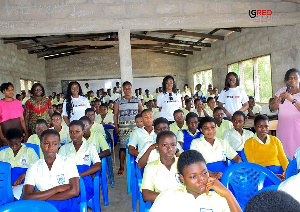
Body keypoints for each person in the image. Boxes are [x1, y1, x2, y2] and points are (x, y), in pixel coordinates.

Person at [150, 150, 242, 212]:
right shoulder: (168, 197)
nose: (201, 180)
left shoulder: (218, 199)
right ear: (182, 178)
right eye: (193, 177)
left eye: (204, 173)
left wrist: (228, 194)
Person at [22, 129, 80, 212]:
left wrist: (41, 195)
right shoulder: (34, 167)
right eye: (46, 143)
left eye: (54, 144)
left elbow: (75, 191)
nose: (50, 147)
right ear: (41, 144)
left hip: (66, 204)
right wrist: (56, 189)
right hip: (43, 207)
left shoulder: (68, 162)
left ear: (59, 145)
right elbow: (26, 197)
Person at [58, 120, 101, 201]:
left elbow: (98, 165)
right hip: (67, 178)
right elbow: (58, 166)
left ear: (83, 132)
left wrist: (78, 176)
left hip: (83, 178)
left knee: (79, 191)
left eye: (77, 132)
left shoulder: (90, 147)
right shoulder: (64, 148)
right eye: (71, 132)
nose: (74, 135)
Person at [141, 131, 183, 203]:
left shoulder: (184, 163)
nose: (169, 149)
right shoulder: (151, 167)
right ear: (157, 147)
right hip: (163, 205)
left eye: (173, 145)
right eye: (165, 145)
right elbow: (146, 195)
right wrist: (173, 199)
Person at [270, 68, 300, 158]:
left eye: (295, 77)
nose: (293, 80)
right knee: (283, 153)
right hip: (283, 128)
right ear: (287, 80)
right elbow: (272, 108)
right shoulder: (282, 90)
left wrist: (292, 99)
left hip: (297, 128)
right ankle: (285, 171)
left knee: (297, 154)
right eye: (290, 78)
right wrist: (278, 100)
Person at [114, 81, 142, 175]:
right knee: (122, 148)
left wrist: (141, 126)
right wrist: (116, 126)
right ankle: (121, 167)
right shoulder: (118, 101)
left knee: (136, 147)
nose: (127, 90)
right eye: (125, 88)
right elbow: (115, 114)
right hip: (123, 128)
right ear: (122, 90)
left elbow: (141, 113)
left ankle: (137, 164)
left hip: (135, 128)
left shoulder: (137, 100)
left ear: (131, 89)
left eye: (129, 88)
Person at [0, 82, 28, 147]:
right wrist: (2, 137)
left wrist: (26, 133)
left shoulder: (17, 102)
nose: (11, 92)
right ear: (3, 91)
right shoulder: (0, 104)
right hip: (5, 133)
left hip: (18, 131)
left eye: (12, 89)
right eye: (8, 90)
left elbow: (22, 120)